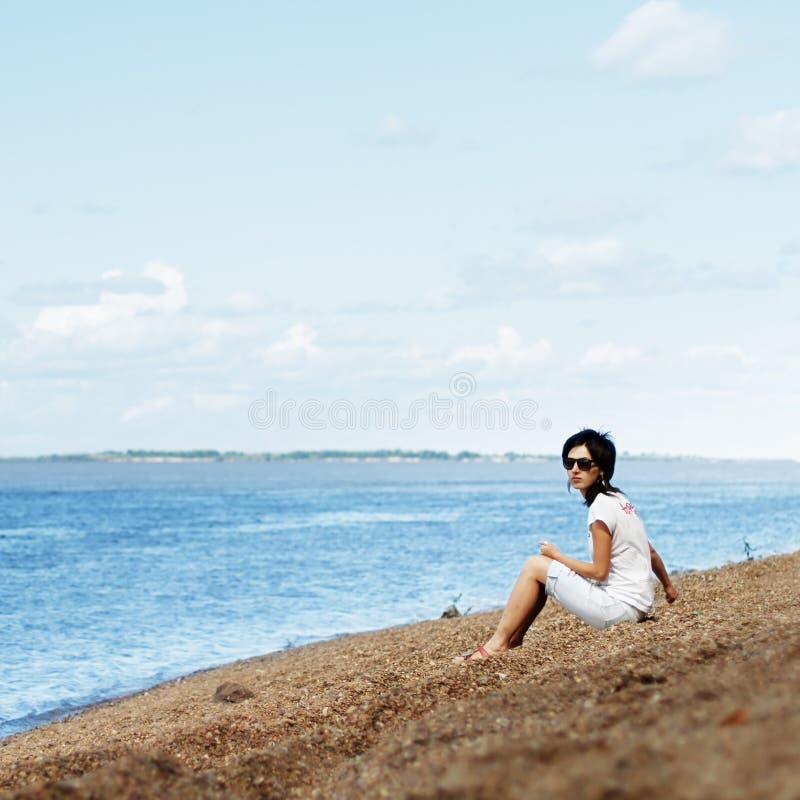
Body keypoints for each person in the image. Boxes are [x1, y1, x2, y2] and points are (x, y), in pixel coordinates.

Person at [457, 428, 678, 662]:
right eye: (569, 462)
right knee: (542, 573)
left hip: (617, 610)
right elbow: (649, 551)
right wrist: (668, 587)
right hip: (637, 608)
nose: (574, 470)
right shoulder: (620, 501)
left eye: (583, 463)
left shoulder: (600, 508)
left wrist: (556, 555)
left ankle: (496, 645)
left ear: (601, 468)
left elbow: (600, 572)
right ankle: (512, 641)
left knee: (535, 565)